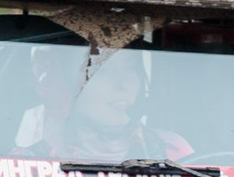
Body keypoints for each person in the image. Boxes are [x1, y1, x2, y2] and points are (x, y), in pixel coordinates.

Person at [23, 49, 187, 164]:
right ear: (68, 85)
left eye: (130, 68)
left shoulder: (172, 151)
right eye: (103, 71)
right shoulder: (29, 164)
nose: (122, 84)